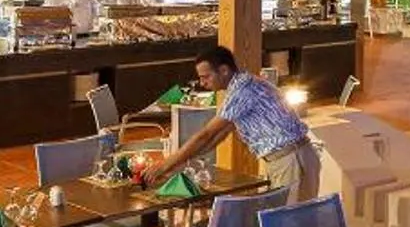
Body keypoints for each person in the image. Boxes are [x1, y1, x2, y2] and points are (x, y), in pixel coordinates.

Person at [136, 44, 319, 200]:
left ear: (224, 70)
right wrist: (181, 164)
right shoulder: (241, 86)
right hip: (288, 158)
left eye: (206, 76)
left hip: (290, 159)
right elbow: (217, 136)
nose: (202, 83)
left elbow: (206, 134)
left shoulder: (242, 89)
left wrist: (165, 164)